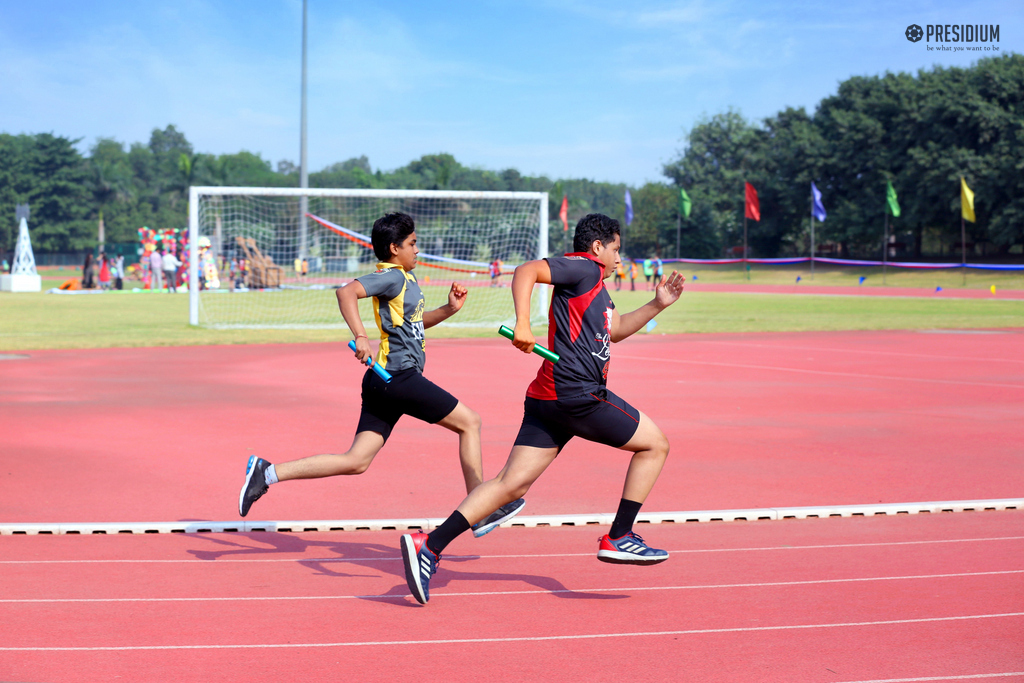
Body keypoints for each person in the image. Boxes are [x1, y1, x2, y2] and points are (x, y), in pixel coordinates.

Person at [400, 213, 685, 604]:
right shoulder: (583, 267)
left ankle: (428, 546)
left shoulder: (597, 287)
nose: (620, 257)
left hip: (548, 398)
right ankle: (620, 535)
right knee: (656, 445)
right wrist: (522, 322)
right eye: (616, 248)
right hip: (577, 393)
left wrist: (657, 303)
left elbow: (615, 329)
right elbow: (526, 270)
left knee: (509, 484)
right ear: (598, 247)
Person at [238, 212, 525, 538]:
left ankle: (268, 473)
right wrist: (360, 335)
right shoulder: (392, 277)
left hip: (385, 381)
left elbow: (414, 323)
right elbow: (345, 292)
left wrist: (449, 310)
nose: (418, 250)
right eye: (412, 244)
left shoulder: (407, 279)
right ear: (394, 247)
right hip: (397, 377)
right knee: (469, 422)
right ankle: (481, 509)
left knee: (357, 460)